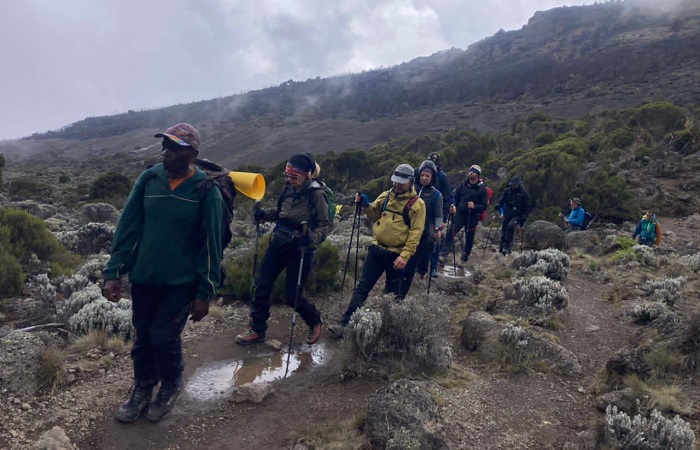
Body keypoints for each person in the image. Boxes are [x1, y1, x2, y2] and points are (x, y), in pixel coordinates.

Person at [103, 123, 223, 423]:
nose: (165, 153)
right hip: (144, 277)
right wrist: (113, 271)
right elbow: (128, 227)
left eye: (174, 148)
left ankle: (170, 384)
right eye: (164, 146)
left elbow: (212, 246)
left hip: (181, 283)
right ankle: (142, 388)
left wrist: (204, 293)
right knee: (143, 336)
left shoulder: (206, 190)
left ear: (192, 154)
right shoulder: (149, 178)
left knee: (164, 337)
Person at [236, 153, 327, 346]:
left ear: (306, 175)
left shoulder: (316, 194)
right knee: (262, 285)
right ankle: (257, 329)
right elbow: (280, 213)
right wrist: (264, 215)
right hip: (279, 242)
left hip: (301, 249)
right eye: (289, 175)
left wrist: (312, 237)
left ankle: (314, 320)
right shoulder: (287, 188)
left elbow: (323, 224)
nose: (290, 180)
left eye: (295, 177)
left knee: (292, 295)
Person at [327, 164, 426, 338]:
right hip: (377, 249)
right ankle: (345, 324)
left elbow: (415, 234)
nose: (397, 186)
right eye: (395, 182)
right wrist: (366, 205)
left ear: (411, 181)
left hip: (397, 255)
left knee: (392, 294)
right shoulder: (386, 196)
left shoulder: (418, 205)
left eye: (401, 183)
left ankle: (387, 334)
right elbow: (374, 216)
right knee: (362, 287)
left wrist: (405, 256)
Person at [402, 160, 443, 288]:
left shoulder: (436, 195)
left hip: (427, 226)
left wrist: (438, 228)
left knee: (426, 250)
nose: (424, 178)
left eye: (427, 176)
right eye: (422, 175)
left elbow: (438, 214)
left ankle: (421, 274)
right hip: (410, 224)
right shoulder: (411, 189)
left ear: (432, 178)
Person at [441, 165, 488, 263]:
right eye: (470, 170)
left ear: (478, 174)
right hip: (460, 213)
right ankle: (443, 255)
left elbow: (484, 205)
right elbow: (456, 197)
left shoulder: (482, 189)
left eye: (474, 171)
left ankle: (464, 258)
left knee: (469, 238)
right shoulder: (463, 185)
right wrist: (453, 206)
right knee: (451, 232)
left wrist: (474, 206)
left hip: (473, 216)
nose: (471, 172)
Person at [428, 152, 452, 277]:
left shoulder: (442, 177)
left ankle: (433, 267)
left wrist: (443, 217)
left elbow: (447, 198)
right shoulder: (423, 175)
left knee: (435, 240)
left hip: (437, 213)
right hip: (423, 213)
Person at [495, 176, 530, 255]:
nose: (514, 186)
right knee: (504, 228)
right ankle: (502, 247)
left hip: (518, 214)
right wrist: (498, 205)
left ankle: (506, 246)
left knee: (510, 226)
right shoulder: (507, 191)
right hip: (508, 212)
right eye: (513, 185)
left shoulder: (524, 193)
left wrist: (524, 216)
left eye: (516, 185)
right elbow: (502, 200)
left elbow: (527, 206)